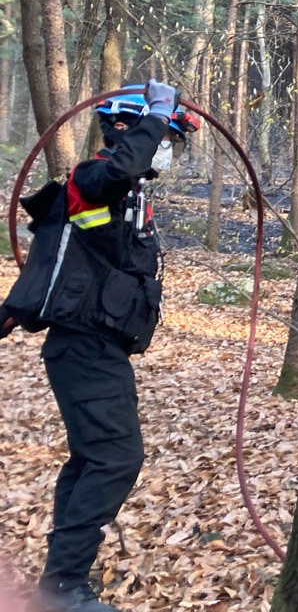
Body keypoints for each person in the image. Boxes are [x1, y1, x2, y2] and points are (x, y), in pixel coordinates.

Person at [0, 81, 192, 612]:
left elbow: (62, 257)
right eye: (165, 137)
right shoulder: (95, 177)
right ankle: (62, 587)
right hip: (82, 348)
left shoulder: (121, 198)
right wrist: (156, 113)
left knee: (94, 458)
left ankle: (59, 581)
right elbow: (116, 171)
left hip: (96, 349)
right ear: (130, 131)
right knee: (115, 458)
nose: (168, 149)